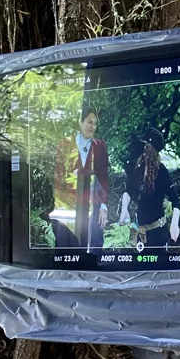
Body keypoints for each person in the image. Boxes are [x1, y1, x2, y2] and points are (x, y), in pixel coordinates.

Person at [52, 105, 110, 250]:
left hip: (92, 203)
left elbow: (104, 178)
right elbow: (59, 177)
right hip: (69, 205)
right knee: (66, 245)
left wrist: (103, 206)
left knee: (94, 245)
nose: (93, 126)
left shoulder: (100, 146)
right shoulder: (65, 144)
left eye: (95, 124)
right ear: (80, 121)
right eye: (90, 122)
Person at [119, 128, 180, 247]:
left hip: (158, 234)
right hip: (139, 234)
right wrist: (124, 209)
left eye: (145, 145)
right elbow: (128, 190)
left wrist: (174, 223)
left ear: (149, 148)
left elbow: (175, 200)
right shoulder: (137, 168)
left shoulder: (162, 172)